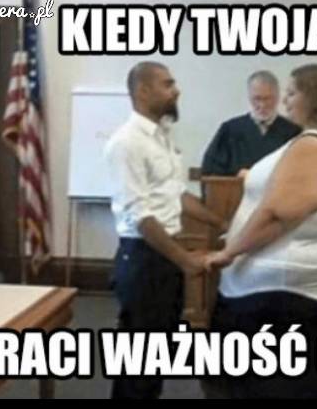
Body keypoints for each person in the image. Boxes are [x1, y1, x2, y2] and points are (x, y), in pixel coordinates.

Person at [203, 64, 317, 398]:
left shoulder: (312, 145)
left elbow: (276, 216)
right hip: (313, 291)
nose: (285, 102)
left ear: (314, 98)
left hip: (281, 297)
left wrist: (229, 252)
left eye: (291, 93)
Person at [104, 61, 227, 399]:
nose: (176, 90)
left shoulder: (163, 138)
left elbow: (177, 194)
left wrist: (221, 223)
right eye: (168, 84)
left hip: (164, 254)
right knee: (139, 357)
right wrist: (186, 261)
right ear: (143, 91)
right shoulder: (126, 143)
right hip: (144, 257)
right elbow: (141, 216)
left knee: (157, 351)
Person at [201, 70, 301, 178]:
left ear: (277, 97)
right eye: (257, 99)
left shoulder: (293, 132)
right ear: (249, 97)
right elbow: (210, 171)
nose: (262, 105)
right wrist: (237, 174)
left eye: (267, 99)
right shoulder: (229, 130)